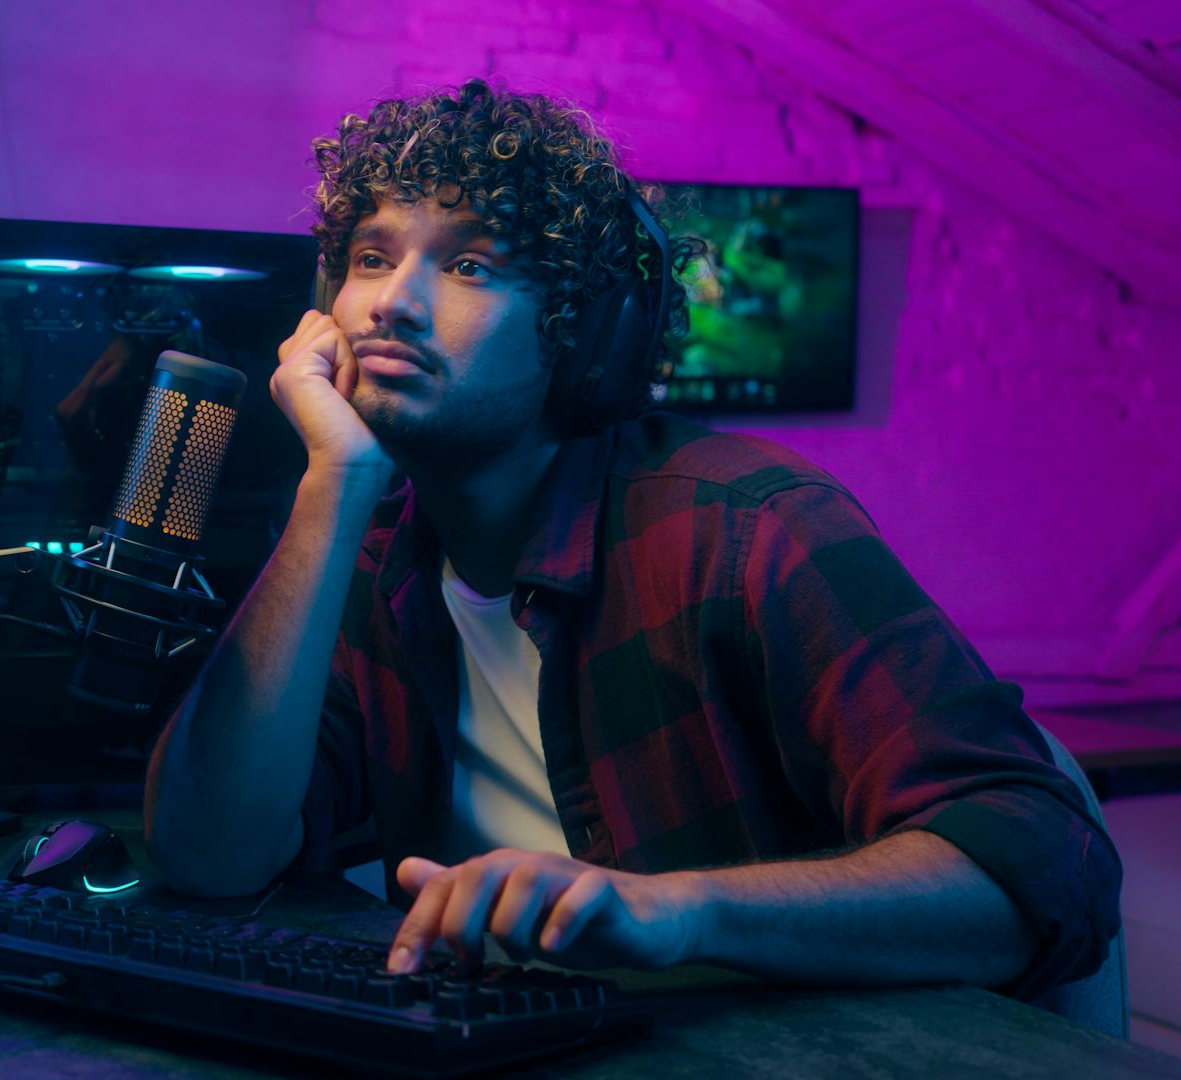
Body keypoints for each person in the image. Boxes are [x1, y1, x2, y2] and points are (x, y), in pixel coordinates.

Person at [144, 78, 1120, 1001]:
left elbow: (1042, 862)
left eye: (471, 266)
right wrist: (336, 482)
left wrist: (680, 910)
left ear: (588, 337)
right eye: (371, 257)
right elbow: (208, 857)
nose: (392, 301)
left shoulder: (749, 526)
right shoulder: (367, 554)